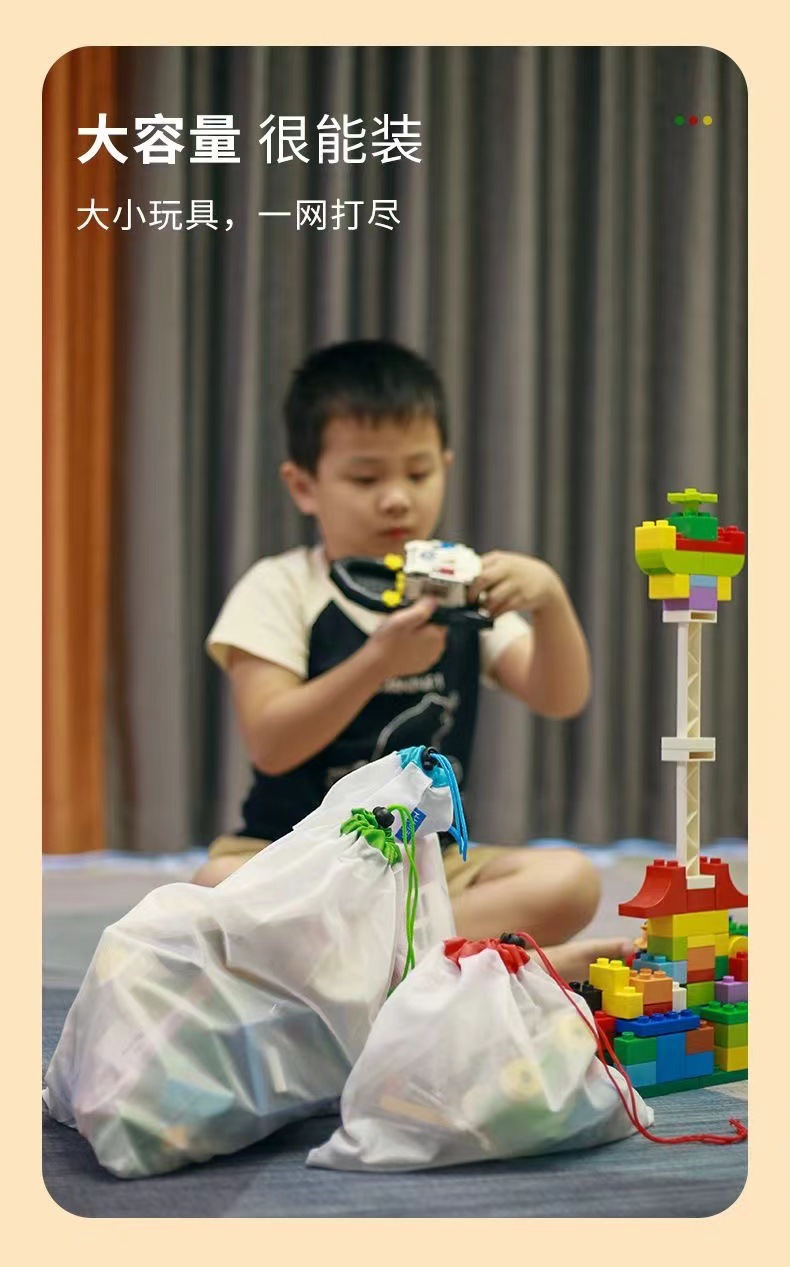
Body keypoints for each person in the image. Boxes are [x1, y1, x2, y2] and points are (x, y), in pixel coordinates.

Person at [193, 339, 629, 980]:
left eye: (419, 474)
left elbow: (559, 696)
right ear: (304, 486)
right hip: (295, 857)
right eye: (366, 479)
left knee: (569, 880)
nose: (397, 498)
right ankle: (481, 963)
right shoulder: (281, 587)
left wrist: (551, 601)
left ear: (445, 468)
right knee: (216, 884)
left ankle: (371, 963)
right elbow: (272, 743)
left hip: (428, 864)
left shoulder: (459, 588)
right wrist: (378, 661)